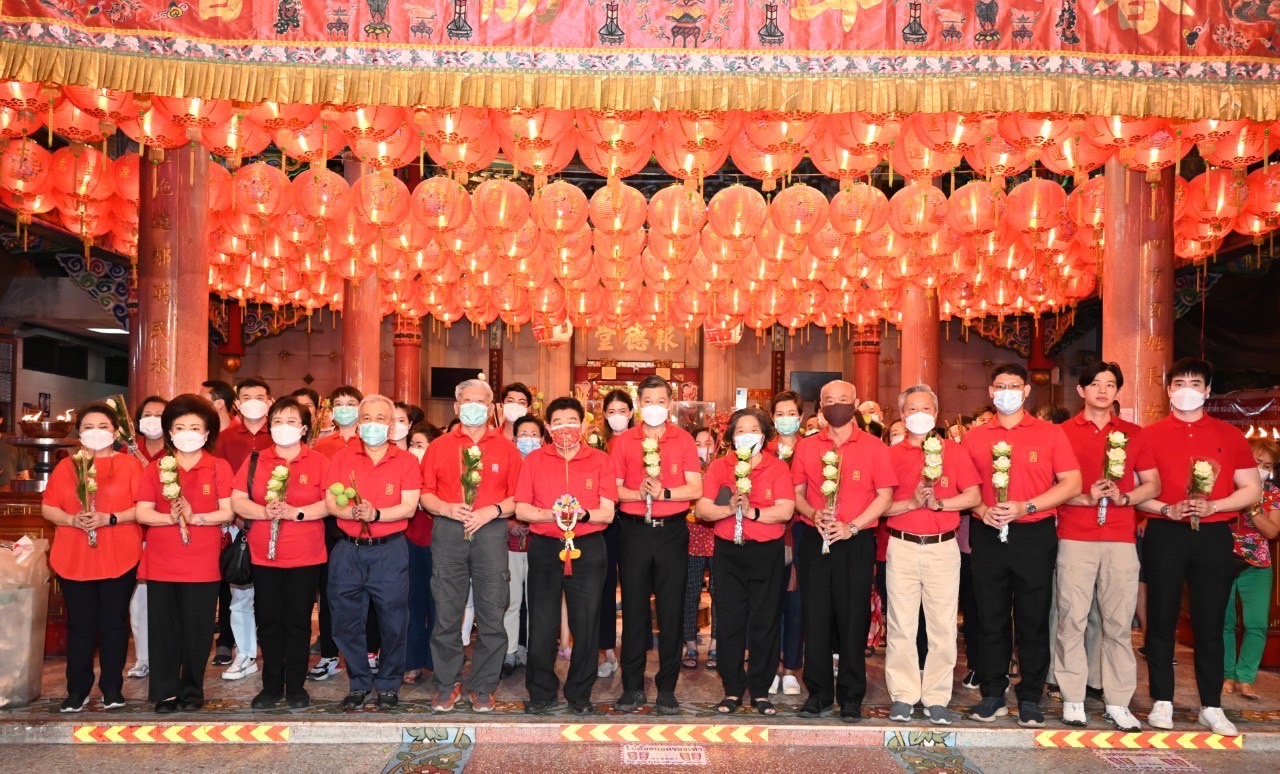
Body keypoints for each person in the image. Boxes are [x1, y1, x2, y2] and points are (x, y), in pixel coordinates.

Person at [1138, 358, 1262, 737]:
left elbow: (1251, 489)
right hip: (1165, 532)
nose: (1186, 390)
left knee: (1211, 621)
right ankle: (1162, 700)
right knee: (1161, 617)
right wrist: (1166, 508)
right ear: (1168, 390)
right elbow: (1137, 493)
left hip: (1213, 535)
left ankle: (1212, 705)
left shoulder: (1230, 435)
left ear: (1207, 391)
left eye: (1195, 384)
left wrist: (1215, 506)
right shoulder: (1149, 435)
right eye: (1179, 383)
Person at [961, 364, 1082, 728]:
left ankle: (1030, 696)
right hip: (988, 534)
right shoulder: (974, 437)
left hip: (1033, 534)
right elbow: (965, 490)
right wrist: (982, 511)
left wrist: (1026, 507)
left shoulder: (1050, 434)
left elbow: (1072, 483)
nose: (1007, 392)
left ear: (1026, 391)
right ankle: (992, 693)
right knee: (990, 617)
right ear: (990, 391)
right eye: (1000, 386)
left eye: (1014, 386)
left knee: (1033, 618)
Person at [1053, 362, 1160, 731]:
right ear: (1081, 390)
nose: (1102, 390)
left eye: (1110, 384)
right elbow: (1051, 485)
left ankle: (1118, 701)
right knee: (1072, 619)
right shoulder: (1062, 433)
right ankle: (1072, 697)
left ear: (1117, 392)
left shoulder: (1134, 434)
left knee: (1118, 624)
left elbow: (1153, 484)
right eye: (1095, 384)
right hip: (1075, 537)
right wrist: (1084, 497)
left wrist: (1124, 497)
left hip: (1119, 538)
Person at [791, 379, 896, 722]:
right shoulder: (808, 446)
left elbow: (885, 496)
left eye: (843, 399)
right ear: (820, 407)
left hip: (856, 541)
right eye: (829, 400)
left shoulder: (874, 446)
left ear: (855, 403)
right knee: (816, 616)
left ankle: (851, 696)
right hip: (816, 538)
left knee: (853, 618)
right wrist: (812, 513)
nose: (836, 405)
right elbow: (797, 493)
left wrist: (853, 526)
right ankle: (818, 693)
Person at [882, 385, 981, 726]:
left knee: (942, 627)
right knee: (901, 625)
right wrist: (910, 503)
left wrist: (940, 504)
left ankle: (937, 697)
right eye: (912, 409)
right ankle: (903, 694)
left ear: (936, 414)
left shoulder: (954, 451)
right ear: (902, 414)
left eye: (926, 408)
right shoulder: (890, 455)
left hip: (942, 547)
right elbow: (881, 506)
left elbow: (973, 496)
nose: (919, 414)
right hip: (903, 545)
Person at [421, 379, 521, 713]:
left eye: (480, 401)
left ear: (491, 408)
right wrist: (445, 508)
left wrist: (492, 510)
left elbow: (518, 497)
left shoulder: (506, 447)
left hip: (490, 531)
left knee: (492, 611)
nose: (473, 406)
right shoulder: (440, 446)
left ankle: (483, 685)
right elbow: (425, 493)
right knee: (447, 611)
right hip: (448, 530)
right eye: (466, 401)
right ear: (456, 406)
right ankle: (447, 683)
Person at [515, 396, 618, 714]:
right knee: (542, 623)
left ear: (583, 424)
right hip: (546, 548)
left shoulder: (600, 460)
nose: (565, 428)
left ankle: (580, 693)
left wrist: (582, 515)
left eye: (571, 422)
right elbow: (522, 509)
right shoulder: (534, 460)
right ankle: (541, 692)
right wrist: (555, 514)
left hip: (588, 548)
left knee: (585, 623)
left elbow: (608, 512)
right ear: (548, 426)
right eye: (558, 423)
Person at [42, 401, 144, 712]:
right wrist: (72, 520)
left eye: (103, 426)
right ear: (79, 434)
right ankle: (78, 689)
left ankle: (112, 687)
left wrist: (110, 518)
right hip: (74, 556)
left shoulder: (129, 465)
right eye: (88, 427)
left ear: (115, 432)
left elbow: (142, 508)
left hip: (119, 553)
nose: (96, 432)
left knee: (113, 624)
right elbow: (49, 507)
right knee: (80, 626)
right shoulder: (66, 467)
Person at [135, 394, 234, 713]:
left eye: (194, 427)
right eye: (179, 427)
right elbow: (142, 512)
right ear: (169, 432)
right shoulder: (156, 468)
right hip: (162, 560)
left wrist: (195, 517)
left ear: (207, 433)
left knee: (198, 629)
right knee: (163, 628)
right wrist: (171, 518)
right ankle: (165, 691)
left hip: (203, 562)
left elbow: (228, 512)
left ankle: (192, 690)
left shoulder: (218, 467)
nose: (187, 433)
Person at [611, 375, 702, 715]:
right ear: (639, 404)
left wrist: (664, 493)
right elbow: (614, 489)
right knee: (634, 610)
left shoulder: (683, 439)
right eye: (647, 401)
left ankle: (666, 688)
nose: (654, 407)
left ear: (670, 403)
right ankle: (632, 687)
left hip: (672, 532)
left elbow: (695, 488)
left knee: (670, 610)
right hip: (634, 532)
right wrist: (637, 494)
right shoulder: (625, 441)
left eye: (660, 401)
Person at [324, 394, 422, 710]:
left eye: (380, 419)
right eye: (366, 418)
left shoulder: (406, 461)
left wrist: (376, 514)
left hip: (388, 552)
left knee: (394, 622)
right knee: (345, 622)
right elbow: (330, 501)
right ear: (358, 423)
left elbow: (408, 507)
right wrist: (351, 512)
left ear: (391, 425)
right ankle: (359, 682)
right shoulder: (342, 457)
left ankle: (389, 684)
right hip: (348, 551)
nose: (372, 425)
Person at [230, 397, 329, 710]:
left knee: (298, 622)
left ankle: (296, 686)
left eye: (291, 421)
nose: (283, 427)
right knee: (269, 621)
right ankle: (271, 686)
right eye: (277, 421)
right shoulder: (256, 460)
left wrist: (296, 512)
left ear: (303, 428)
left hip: (306, 555)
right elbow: (237, 500)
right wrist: (264, 511)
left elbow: (329, 503)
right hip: (263, 555)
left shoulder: (319, 461)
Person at [696, 408, 795, 716]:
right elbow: (702, 509)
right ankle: (732, 689)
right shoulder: (719, 467)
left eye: (753, 430)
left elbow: (786, 510)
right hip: (728, 553)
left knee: (765, 620)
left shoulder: (777, 468)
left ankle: (761, 690)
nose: (746, 435)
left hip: (765, 552)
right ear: (731, 436)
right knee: (730, 621)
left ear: (764, 436)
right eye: (740, 431)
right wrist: (730, 510)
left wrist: (752, 512)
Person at [214, 377, 276, 682]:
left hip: (276, 524)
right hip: (238, 525)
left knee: (272, 595)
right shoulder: (223, 438)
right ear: (237, 403)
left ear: (269, 402)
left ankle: (274, 653)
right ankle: (245, 653)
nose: (253, 402)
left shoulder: (278, 434)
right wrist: (239, 516)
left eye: (259, 396)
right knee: (240, 593)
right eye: (247, 396)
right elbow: (220, 482)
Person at [309, 385, 364, 682]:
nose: (344, 408)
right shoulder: (321, 445)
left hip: (366, 524)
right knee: (330, 592)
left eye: (350, 403)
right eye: (339, 404)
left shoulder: (369, 440)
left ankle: (368, 652)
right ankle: (329, 654)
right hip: (328, 525)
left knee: (366, 592)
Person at [1224, 438, 1280, 700]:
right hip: (1222, 561)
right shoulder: (1225, 487)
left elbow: (1272, 531)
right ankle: (1226, 674)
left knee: (1256, 624)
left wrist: (1253, 508)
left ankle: (1245, 678)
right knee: (1223, 622)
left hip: (1257, 565)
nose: (1261, 468)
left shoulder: (1273, 494)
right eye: (1257, 462)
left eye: (1267, 465)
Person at [503, 415, 548, 678]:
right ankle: (509, 651)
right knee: (511, 600)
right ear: (514, 438)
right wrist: (510, 524)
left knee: (536, 603)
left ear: (542, 439)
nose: (528, 439)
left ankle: (534, 651)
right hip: (509, 544)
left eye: (534, 435)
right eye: (523, 434)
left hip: (539, 543)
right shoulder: (508, 467)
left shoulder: (547, 466)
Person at [127, 395, 168, 681]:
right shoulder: (126, 451)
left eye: (160, 414)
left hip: (164, 534)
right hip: (132, 534)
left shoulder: (178, 452)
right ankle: (143, 658)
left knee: (167, 601)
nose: (153, 420)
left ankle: (169, 655)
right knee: (138, 601)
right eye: (148, 414)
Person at [767, 390, 804, 697]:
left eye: (791, 413)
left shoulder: (812, 450)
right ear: (772, 418)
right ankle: (769, 666)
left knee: (796, 604)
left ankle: (791, 668)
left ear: (800, 417)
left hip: (801, 532)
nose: (786, 419)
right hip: (767, 531)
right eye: (780, 414)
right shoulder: (762, 449)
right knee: (767, 603)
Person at [199, 379, 237, 667]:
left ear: (219, 402)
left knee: (230, 581)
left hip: (234, 517)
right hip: (202, 519)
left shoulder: (238, 434)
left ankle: (227, 638)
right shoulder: (201, 436)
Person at [596, 388, 634, 678]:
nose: (617, 417)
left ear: (631, 413)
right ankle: (607, 650)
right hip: (605, 523)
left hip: (634, 521)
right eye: (611, 412)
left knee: (635, 586)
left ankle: (635, 650)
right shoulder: (598, 445)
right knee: (605, 586)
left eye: (622, 411)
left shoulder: (642, 442)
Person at [403, 422, 442, 685]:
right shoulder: (405, 471)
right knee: (412, 603)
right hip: (409, 542)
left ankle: (436, 661)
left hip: (439, 544)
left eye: (420, 445)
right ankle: (412, 661)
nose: (414, 449)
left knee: (438, 604)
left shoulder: (440, 471)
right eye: (412, 444)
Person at [683, 426, 718, 671]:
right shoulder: (686, 469)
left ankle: (716, 643)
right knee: (690, 593)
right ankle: (690, 644)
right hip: (691, 538)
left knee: (720, 593)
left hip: (718, 537)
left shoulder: (724, 468)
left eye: (708, 443)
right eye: (698, 443)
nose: (703, 448)